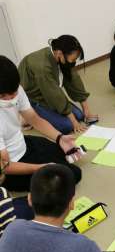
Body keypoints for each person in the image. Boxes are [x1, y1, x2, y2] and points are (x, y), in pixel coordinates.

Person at [0, 55, 82, 192]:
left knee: (66, 152)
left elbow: (33, 118)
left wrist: (59, 138)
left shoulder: (16, 89)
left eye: (14, 92)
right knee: (72, 175)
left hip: (22, 143)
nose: (11, 98)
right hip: (10, 168)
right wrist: (38, 168)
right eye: (3, 96)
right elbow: (5, 166)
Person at [19, 35, 97, 134]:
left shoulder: (59, 56)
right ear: (60, 53)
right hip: (34, 97)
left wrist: (87, 110)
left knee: (79, 115)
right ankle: (27, 115)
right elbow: (53, 94)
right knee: (67, 126)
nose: (73, 62)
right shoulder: (42, 67)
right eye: (73, 59)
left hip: (47, 91)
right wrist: (74, 122)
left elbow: (74, 80)